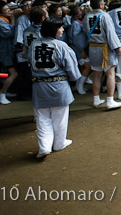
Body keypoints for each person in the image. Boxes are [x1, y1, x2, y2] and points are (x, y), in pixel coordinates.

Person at [27, 18, 81, 159]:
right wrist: (74, 78)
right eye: (60, 28)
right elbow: (72, 69)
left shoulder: (34, 44)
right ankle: (59, 143)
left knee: (42, 118)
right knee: (60, 117)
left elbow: (29, 62)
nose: (62, 30)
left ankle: (44, 147)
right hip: (59, 85)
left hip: (39, 86)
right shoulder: (61, 46)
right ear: (54, 30)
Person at [83, 0, 121, 110]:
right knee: (110, 73)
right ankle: (110, 100)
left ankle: (96, 100)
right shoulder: (104, 16)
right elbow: (111, 33)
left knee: (97, 74)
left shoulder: (86, 16)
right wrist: (117, 47)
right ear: (101, 5)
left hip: (93, 47)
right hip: (105, 48)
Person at [0, 0, 18, 104]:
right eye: (6, 10)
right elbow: (8, 33)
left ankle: (5, 91)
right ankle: (2, 94)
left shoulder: (3, 19)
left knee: (8, 73)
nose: (9, 11)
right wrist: (13, 19)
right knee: (13, 73)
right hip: (3, 52)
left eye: (8, 9)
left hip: (7, 50)